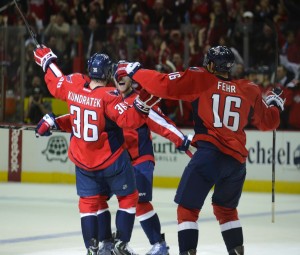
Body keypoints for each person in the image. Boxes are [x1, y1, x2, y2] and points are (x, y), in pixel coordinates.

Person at [114, 46, 285, 255]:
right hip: (236, 163)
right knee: (227, 211)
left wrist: (135, 71)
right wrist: (275, 105)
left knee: (187, 210)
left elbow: (163, 85)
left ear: (212, 64)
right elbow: (269, 122)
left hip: (209, 156)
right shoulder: (249, 88)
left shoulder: (202, 78)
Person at [37, 74, 194, 255]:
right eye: (117, 75)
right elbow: (81, 117)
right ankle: (108, 243)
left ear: (133, 80)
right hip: (114, 162)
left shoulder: (139, 101)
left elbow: (161, 123)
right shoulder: (108, 97)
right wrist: (54, 122)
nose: (120, 79)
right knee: (100, 199)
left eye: (124, 76)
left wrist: (181, 139)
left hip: (138, 159)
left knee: (140, 202)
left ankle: (158, 244)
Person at [33, 47, 160, 255]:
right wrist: (145, 102)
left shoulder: (73, 86)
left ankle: (93, 248)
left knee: (89, 204)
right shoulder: (109, 96)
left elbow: (56, 82)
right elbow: (130, 120)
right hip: (111, 161)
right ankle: (121, 243)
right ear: (108, 73)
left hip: (83, 162)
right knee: (129, 197)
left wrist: (47, 62)